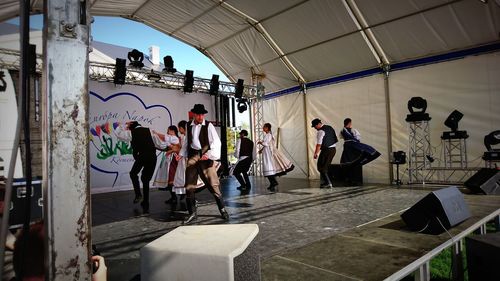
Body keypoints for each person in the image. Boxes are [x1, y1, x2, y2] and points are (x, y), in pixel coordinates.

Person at [183, 104, 229, 224]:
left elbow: (217, 143)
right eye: (198, 114)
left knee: (213, 184)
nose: (201, 117)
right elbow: (186, 141)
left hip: (205, 156)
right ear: (194, 114)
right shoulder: (188, 125)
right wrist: (182, 154)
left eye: (202, 114)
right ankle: (192, 213)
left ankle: (222, 209)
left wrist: (208, 154)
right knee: (189, 185)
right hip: (193, 156)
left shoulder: (209, 126)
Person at [115, 121, 158, 213]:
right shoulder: (149, 130)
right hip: (152, 156)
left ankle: (138, 194)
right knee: (145, 179)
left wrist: (124, 125)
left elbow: (118, 134)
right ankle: (145, 201)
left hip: (142, 156)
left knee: (133, 174)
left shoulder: (131, 132)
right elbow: (158, 142)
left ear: (131, 127)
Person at [258, 123, 294, 192]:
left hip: (269, 153)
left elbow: (266, 144)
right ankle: (273, 183)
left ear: (267, 128)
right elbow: (267, 144)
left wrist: (260, 142)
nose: (263, 128)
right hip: (267, 152)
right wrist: (261, 149)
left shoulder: (268, 135)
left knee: (268, 167)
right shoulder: (268, 135)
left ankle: (273, 183)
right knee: (268, 168)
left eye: (264, 127)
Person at [152, 125, 180, 203]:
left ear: (172, 131)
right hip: (169, 159)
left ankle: (181, 194)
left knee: (173, 177)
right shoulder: (170, 139)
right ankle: (173, 197)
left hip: (174, 159)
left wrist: (156, 133)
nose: (167, 132)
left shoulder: (175, 138)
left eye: (168, 130)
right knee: (169, 178)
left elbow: (165, 139)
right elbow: (164, 145)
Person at [311, 118, 337, 188]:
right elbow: (334, 138)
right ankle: (327, 182)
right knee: (324, 166)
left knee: (321, 166)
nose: (315, 128)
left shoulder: (320, 131)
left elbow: (319, 144)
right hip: (333, 150)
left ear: (318, 124)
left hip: (327, 150)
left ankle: (328, 183)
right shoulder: (329, 127)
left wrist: (316, 153)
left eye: (315, 126)